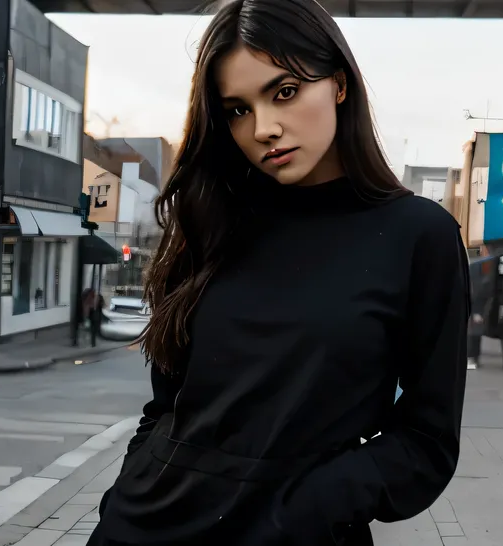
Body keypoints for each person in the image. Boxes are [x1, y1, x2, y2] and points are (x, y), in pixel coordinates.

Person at [89, 1, 470, 545]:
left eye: (284, 92)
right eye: (238, 110)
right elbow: (169, 405)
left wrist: (309, 506)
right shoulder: (211, 222)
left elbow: (428, 440)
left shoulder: (418, 235)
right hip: (145, 529)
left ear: (339, 83)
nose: (264, 128)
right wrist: (124, 495)